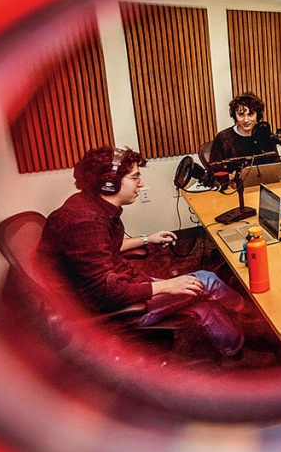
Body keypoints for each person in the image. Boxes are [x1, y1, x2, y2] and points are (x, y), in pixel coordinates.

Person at [38, 146, 265, 364]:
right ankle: (255, 319)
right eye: (135, 177)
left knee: (204, 307)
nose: (141, 183)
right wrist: (165, 287)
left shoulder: (86, 205)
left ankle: (235, 353)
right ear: (110, 184)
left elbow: (103, 249)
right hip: (114, 307)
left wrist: (147, 239)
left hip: (122, 285)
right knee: (206, 281)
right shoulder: (85, 222)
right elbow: (101, 291)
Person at [208, 92, 280, 164]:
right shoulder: (223, 138)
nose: (246, 120)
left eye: (250, 114)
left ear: (257, 115)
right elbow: (214, 170)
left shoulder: (264, 134)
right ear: (234, 115)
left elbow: (277, 165)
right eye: (241, 115)